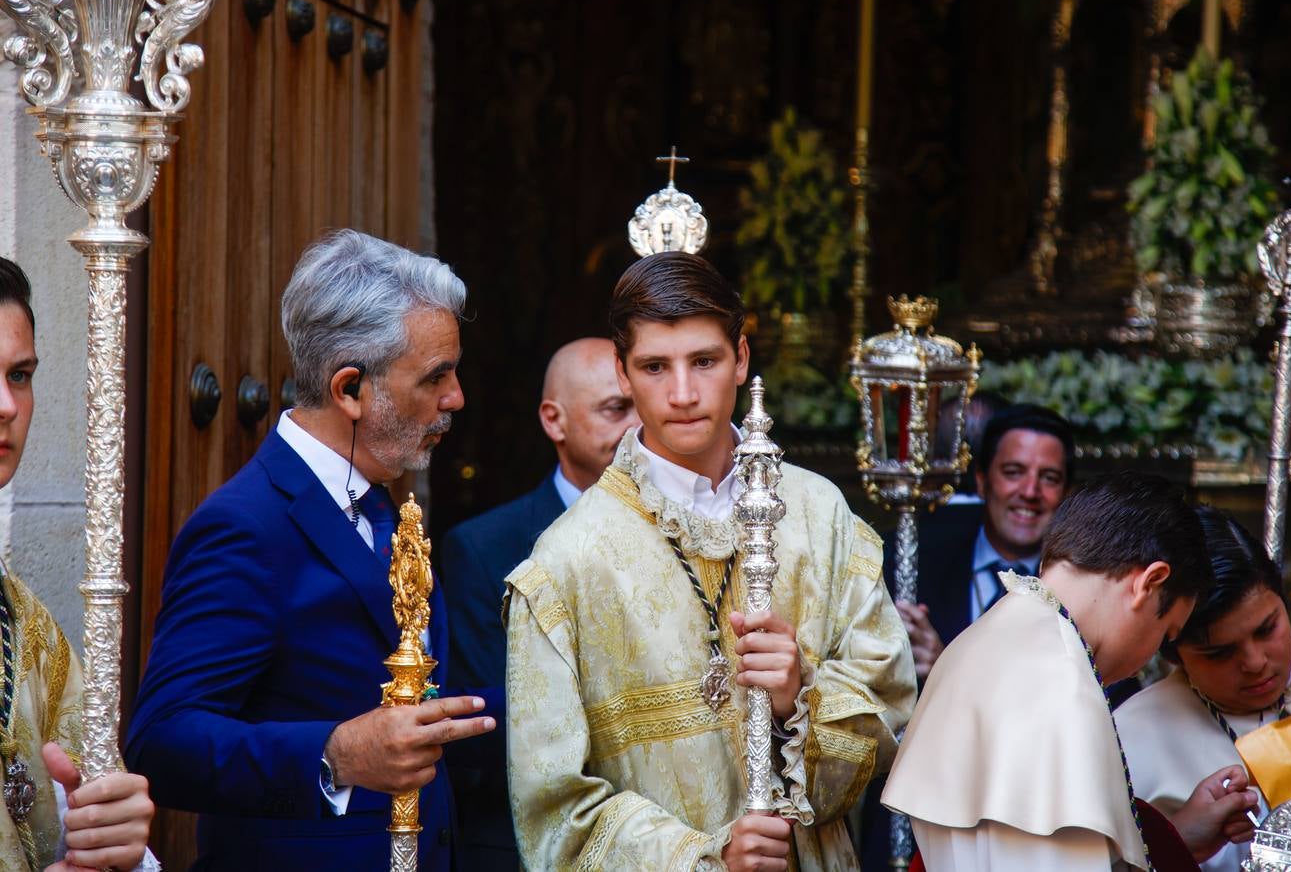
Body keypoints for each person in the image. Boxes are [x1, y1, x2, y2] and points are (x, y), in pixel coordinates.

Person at [503, 251, 916, 871]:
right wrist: (703, 856)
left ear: (741, 358)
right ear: (622, 372)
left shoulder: (818, 513)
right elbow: (552, 815)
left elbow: (892, 716)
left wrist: (798, 696)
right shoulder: (566, 562)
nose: (683, 394)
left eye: (704, 361)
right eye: (654, 367)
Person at [126, 231, 495, 870]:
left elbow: (421, 704)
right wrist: (335, 755)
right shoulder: (244, 527)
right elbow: (162, 742)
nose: (455, 397)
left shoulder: (381, 497)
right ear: (350, 389)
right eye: (436, 376)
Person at [883, 472, 1238, 871]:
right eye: (1165, 633)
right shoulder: (1062, 682)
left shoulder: (980, 638)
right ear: (1150, 582)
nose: (1150, 655)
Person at [437, 336, 636, 870]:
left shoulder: (691, 530)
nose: (638, 426)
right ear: (554, 420)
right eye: (616, 409)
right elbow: (484, 717)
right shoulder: (482, 549)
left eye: (642, 405)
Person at [0, 257, 157, 872]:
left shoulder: (30, 630)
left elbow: (84, 823)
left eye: (19, 375)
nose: (6, 405)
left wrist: (115, 839)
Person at [1116, 506, 1291, 871]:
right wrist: (1178, 848)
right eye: (1220, 653)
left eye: (1266, 629)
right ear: (1173, 652)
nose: (1255, 662)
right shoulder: (1133, 739)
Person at [896, 403, 1074, 679]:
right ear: (981, 481)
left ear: (1066, 493)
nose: (1030, 491)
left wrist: (946, 670)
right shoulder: (916, 564)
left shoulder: (1081, 590)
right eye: (1013, 472)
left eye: (1049, 478)